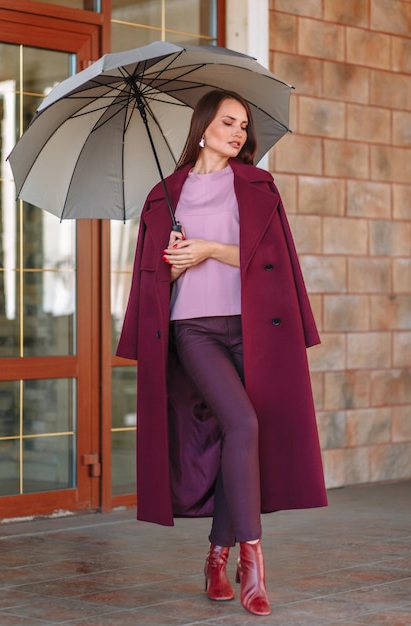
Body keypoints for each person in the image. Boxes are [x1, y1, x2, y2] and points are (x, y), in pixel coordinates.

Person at [116, 89, 328, 616]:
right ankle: (252, 561)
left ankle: (217, 553)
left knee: (246, 435)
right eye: (228, 122)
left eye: (243, 126)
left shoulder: (257, 185)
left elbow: (270, 256)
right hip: (194, 329)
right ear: (204, 126)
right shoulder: (164, 195)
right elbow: (151, 275)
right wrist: (173, 265)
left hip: (253, 328)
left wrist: (209, 249)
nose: (238, 133)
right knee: (243, 426)